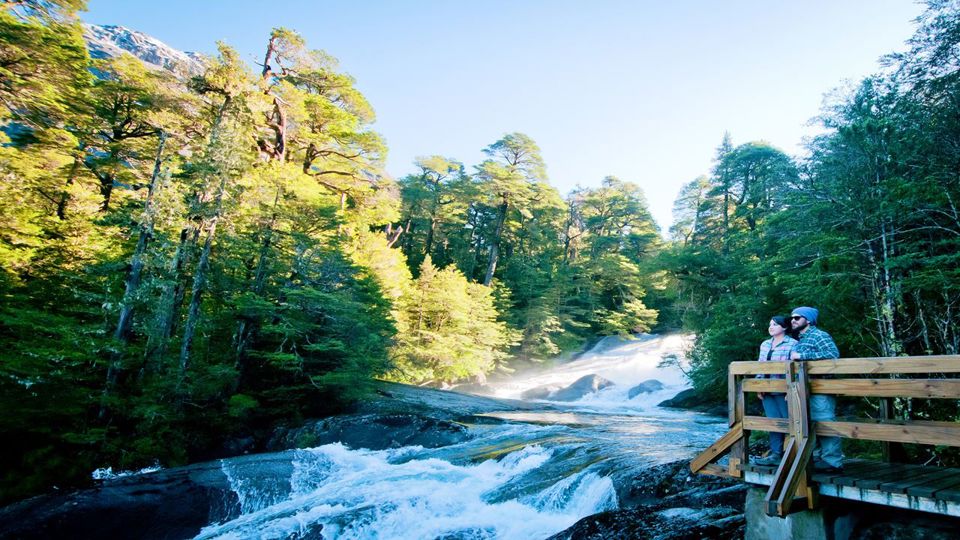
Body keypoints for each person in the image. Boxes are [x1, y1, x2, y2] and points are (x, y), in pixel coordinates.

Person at [789, 306, 843, 473]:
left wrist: (802, 356)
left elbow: (833, 354)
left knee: (825, 421)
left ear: (809, 320)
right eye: (792, 318)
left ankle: (833, 461)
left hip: (820, 387)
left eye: (797, 317)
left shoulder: (819, 335)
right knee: (812, 424)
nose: (793, 320)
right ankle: (820, 458)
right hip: (805, 389)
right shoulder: (802, 339)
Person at [754, 316, 797, 466]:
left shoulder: (793, 344)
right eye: (770, 324)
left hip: (784, 389)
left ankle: (797, 454)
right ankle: (776, 454)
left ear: (784, 327)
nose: (771, 327)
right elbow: (760, 365)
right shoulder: (765, 344)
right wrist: (758, 386)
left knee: (791, 421)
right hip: (767, 390)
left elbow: (796, 368)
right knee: (773, 422)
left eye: (775, 324)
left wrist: (790, 390)